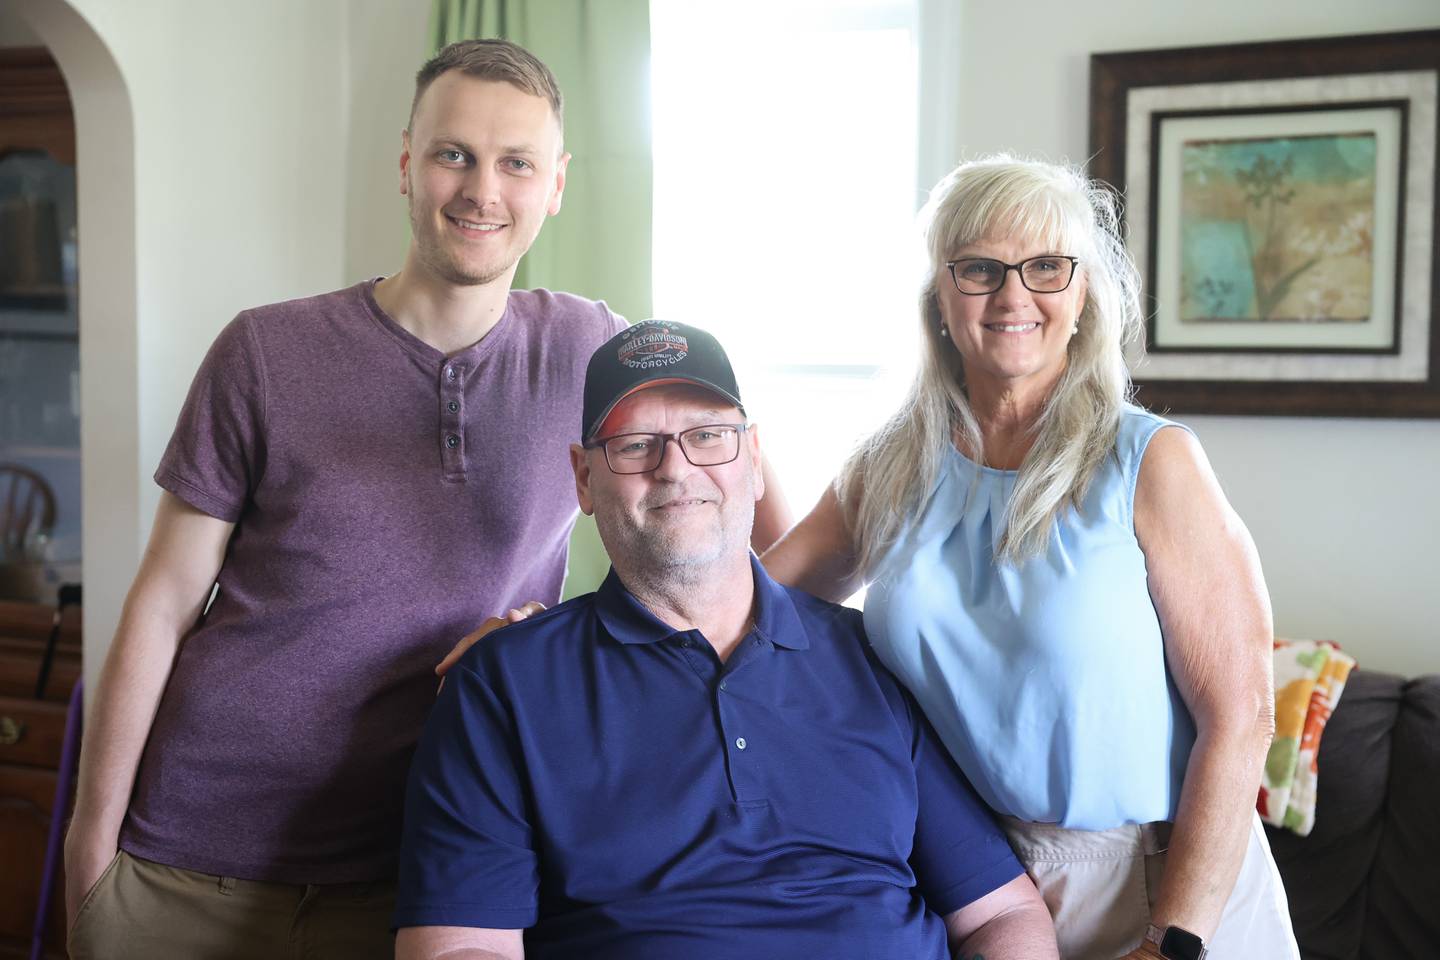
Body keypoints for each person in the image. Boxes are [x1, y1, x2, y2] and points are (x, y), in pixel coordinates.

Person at [63, 40, 785, 960]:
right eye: (455, 154)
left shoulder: (593, 351)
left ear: (554, 184)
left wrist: (549, 637)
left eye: (516, 163)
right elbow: (163, 604)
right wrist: (92, 849)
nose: (483, 190)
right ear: (408, 163)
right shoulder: (264, 351)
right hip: (185, 862)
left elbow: (751, 518)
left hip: (418, 876)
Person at [762, 156, 1299, 960]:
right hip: (982, 887)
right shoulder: (890, 465)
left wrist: (1171, 942)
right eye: (980, 268)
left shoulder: (1150, 462)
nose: (1014, 295)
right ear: (941, 299)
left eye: (1046, 266)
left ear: (1082, 295)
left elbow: (1243, 717)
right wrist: (557, 639)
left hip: (1166, 882)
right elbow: (748, 601)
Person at [393, 319, 1060, 960]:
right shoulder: (505, 685)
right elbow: (461, 941)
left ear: (755, 459)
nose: (675, 469)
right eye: (634, 445)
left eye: (708, 436)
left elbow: (1002, 912)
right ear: (583, 478)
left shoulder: (874, 657)